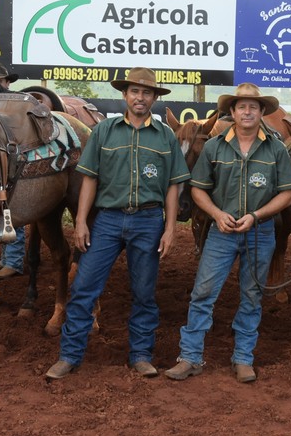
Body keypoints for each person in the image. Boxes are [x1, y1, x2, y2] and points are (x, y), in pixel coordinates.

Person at [45, 67, 190, 380]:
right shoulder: (104, 131)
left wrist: (170, 228)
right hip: (108, 219)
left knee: (144, 292)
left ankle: (141, 355)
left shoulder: (165, 135)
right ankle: (69, 355)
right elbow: (89, 179)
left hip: (148, 220)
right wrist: (80, 221)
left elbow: (172, 186)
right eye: (135, 91)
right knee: (83, 287)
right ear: (125, 94)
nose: (140, 97)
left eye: (147, 92)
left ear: (154, 98)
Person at [164, 83, 291, 384]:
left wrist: (256, 215)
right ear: (233, 112)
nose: (247, 111)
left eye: (253, 107)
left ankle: (243, 358)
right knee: (203, 293)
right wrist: (216, 214)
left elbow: (288, 194)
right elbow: (198, 189)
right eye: (241, 106)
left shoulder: (276, 149)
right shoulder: (214, 147)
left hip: (260, 232)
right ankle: (190, 356)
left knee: (251, 295)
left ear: (261, 112)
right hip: (221, 232)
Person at [0, 61, 26, 280]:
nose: (0, 85)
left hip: (15, 163)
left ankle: (14, 260)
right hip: (3, 162)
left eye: (1, 81)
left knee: (13, 207)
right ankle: (9, 257)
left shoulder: (14, 104)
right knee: (3, 208)